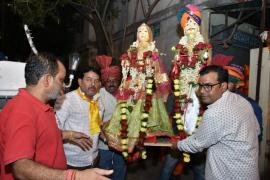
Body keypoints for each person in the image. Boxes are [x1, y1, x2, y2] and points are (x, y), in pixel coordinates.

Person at [0, 53, 113, 180]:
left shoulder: (40, 106)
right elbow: (21, 169)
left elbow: (40, 136)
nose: (64, 85)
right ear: (47, 80)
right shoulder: (22, 111)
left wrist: (69, 135)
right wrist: (76, 176)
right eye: (60, 79)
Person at [172, 65, 260, 180]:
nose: (202, 91)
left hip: (229, 174)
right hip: (249, 172)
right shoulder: (241, 101)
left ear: (223, 86)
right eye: (201, 86)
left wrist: (177, 145)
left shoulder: (215, 112)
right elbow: (257, 130)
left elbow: (197, 143)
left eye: (208, 86)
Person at [103, 23, 173, 160]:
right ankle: (126, 139)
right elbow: (127, 71)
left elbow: (158, 70)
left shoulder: (153, 51)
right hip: (133, 84)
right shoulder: (131, 50)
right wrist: (126, 68)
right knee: (126, 111)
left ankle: (138, 139)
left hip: (146, 85)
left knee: (143, 111)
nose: (142, 33)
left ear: (149, 35)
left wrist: (162, 86)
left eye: (145, 31)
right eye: (139, 31)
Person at [56, 66, 104, 170]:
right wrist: (70, 136)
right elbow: (53, 131)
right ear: (79, 81)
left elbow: (97, 126)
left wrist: (107, 136)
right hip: (72, 162)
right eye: (88, 80)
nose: (92, 84)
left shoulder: (98, 100)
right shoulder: (66, 100)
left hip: (94, 159)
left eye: (96, 81)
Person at [96, 55, 127, 180]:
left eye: (114, 80)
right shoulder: (99, 95)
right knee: (104, 171)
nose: (112, 83)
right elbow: (95, 121)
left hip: (122, 142)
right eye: (108, 81)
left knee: (120, 169)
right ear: (104, 82)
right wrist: (106, 137)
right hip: (104, 145)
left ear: (119, 81)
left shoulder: (124, 93)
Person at [224, 64, 263, 142]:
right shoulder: (219, 100)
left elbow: (257, 136)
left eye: (228, 82)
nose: (223, 86)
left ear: (238, 85)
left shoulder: (251, 105)